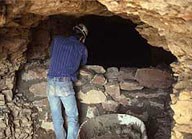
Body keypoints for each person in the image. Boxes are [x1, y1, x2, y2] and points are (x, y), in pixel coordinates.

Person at [46, 24, 88, 139]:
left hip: (50, 82)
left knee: (56, 116)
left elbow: (52, 54)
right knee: (72, 117)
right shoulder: (81, 47)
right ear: (82, 37)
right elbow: (83, 63)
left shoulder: (57, 40)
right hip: (64, 84)